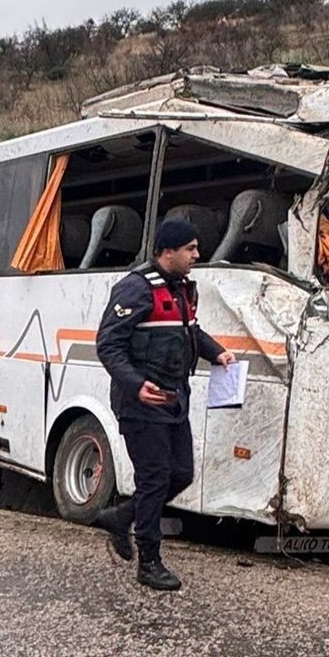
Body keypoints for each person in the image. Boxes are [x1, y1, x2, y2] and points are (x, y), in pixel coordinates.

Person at [94, 218, 235, 591]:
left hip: (174, 400)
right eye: (190, 248)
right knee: (155, 478)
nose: (197, 255)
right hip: (140, 403)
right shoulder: (135, 289)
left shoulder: (184, 289)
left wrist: (216, 352)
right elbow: (108, 344)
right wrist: (136, 384)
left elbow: (191, 331)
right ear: (167, 251)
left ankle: (122, 516)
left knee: (181, 474)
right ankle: (149, 561)